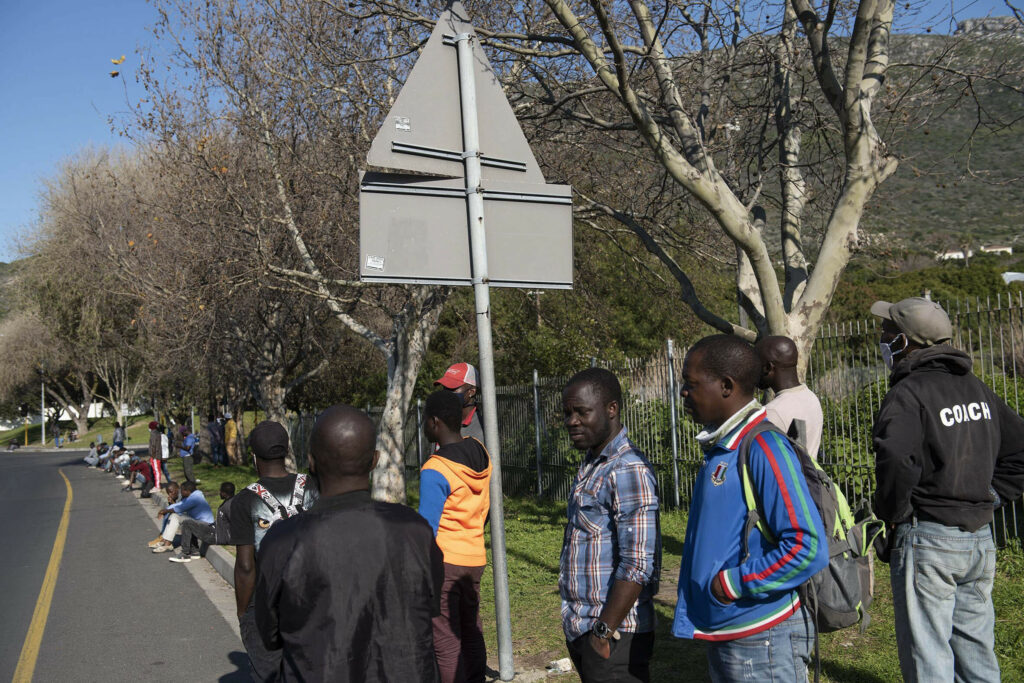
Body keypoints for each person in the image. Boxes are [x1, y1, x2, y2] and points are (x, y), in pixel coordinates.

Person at [871, 297, 1024, 682]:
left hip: (929, 538)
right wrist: (990, 496)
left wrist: (894, 515)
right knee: (976, 652)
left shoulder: (908, 393)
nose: (882, 337)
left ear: (906, 342)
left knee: (929, 656)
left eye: (887, 332)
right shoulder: (976, 388)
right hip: (979, 540)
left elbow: (895, 461)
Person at [673, 334, 827, 681]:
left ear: (726, 386)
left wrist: (731, 584)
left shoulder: (763, 446)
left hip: (762, 638)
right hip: (732, 631)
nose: (683, 392)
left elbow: (807, 548)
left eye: (690, 384)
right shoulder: (725, 446)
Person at [255, 405, 443, 682]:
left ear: (312, 462)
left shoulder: (283, 541)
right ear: (374, 460)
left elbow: (270, 635)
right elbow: (430, 606)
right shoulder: (415, 531)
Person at [560, 368, 661, 683]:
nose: (572, 421)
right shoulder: (593, 463)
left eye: (582, 412)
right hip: (585, 627)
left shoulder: (627, 469)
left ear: (612, 409)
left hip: (615, 637)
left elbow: (638, 565)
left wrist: (603, 632)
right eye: (567, 413)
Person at [229, 420, 319, 683]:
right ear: (287, 450)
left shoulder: (245, 500)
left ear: (254, 457)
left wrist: (243, 611)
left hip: (266, 605)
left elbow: (246, 566)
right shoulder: (313, 486)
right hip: (313, 599)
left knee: (269, 674)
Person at [419, 390, 491, 683]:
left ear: (435, 422)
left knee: (446, 640)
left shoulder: (435, 468)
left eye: (425, 421)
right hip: (475, 558)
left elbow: (426, 529)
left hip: (445, 564)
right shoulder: (480, 452)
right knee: (471, 630)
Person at [754, 335, 824, 459]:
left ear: (768, 368)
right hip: (807, 476)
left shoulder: (773, 412)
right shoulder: (810, 397)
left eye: (756, 365)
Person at [435, 362, 485, 445]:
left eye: (452, 388)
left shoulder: (481, 430)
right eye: (445, 388)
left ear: (471, 392)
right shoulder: (441, 423)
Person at [148, 482, 180, 548]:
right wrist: (171, 503)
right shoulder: (175, 496)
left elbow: (179, 509)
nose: (170, 494)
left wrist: (165, 510)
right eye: (168, 493)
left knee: (168, 512)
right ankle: (162, 535)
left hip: (188, 516)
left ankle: (162, 536)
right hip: (181, 514)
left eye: (171, 492)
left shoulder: (181, 496)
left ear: (177, 489)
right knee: (168, 512)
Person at [147, 421, 164, 490]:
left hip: (155, 455)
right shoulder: (157, 433)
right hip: (157, 454)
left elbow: (153, 445)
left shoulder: (153, 434)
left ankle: (157, 486)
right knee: (156, 470)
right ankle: (157, 484)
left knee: (156, 471)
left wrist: (152, 455)